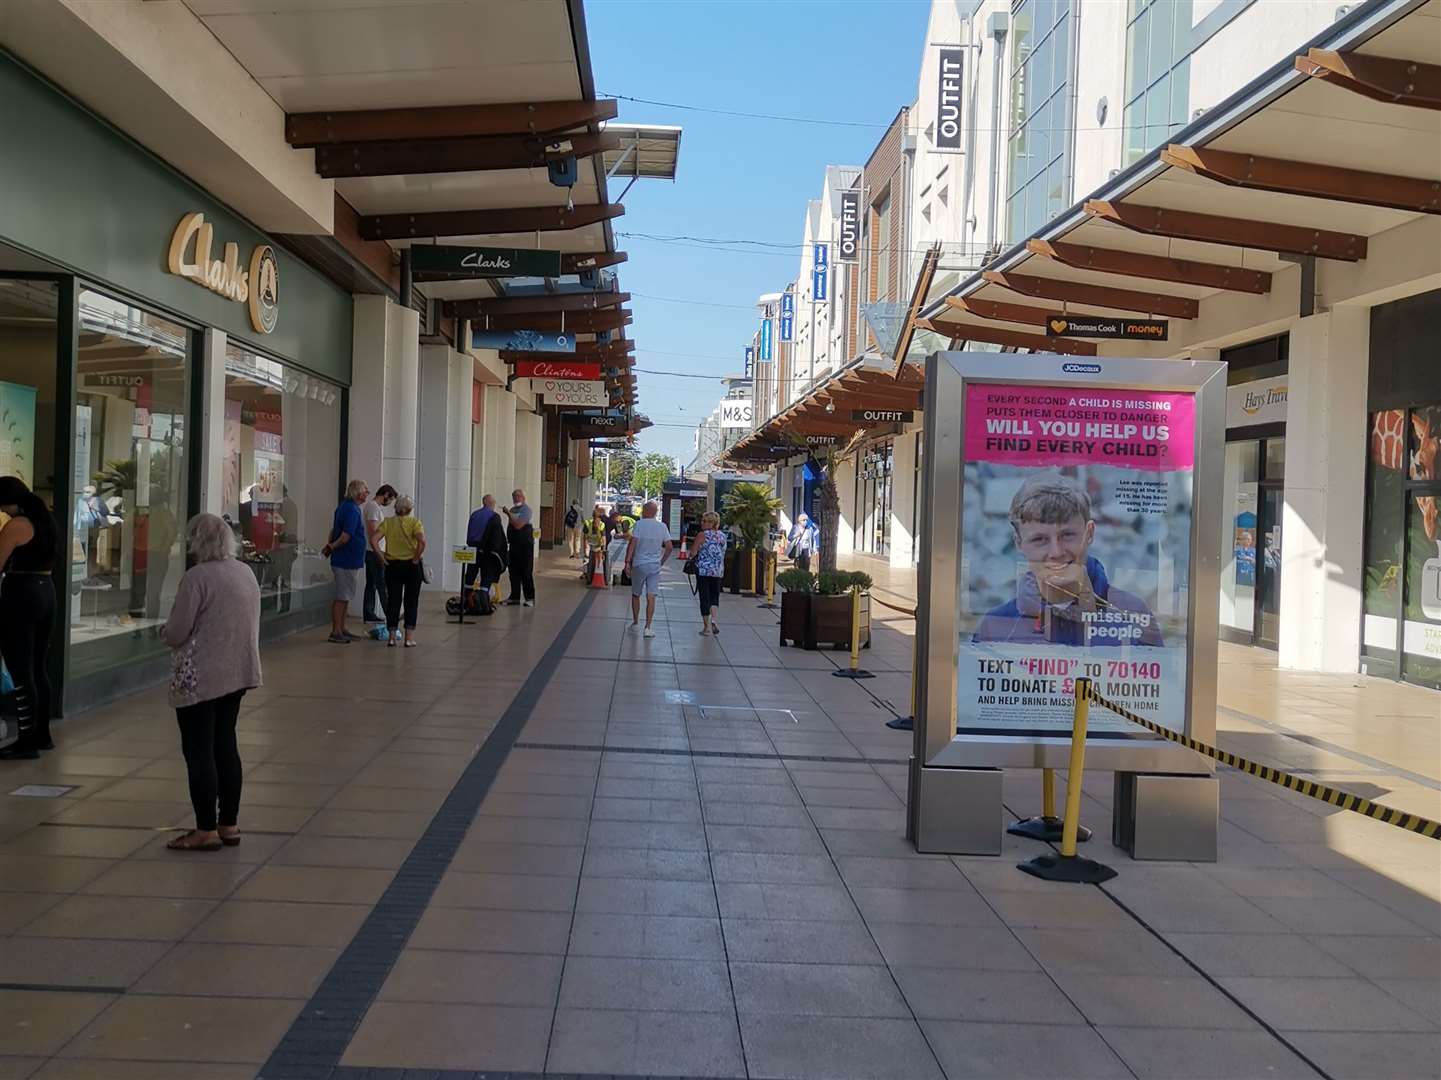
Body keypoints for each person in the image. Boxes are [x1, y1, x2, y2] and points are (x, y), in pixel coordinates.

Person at [161, 513, 261, 851]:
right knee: (225, 744)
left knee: (199, 749)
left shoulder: (197, 578)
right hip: (237, 673)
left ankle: (205, 829)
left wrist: (163, 633)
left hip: (202, 676)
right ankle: (228, 824)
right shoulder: (244, 572)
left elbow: (177, 631)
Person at [972, 473, 1163, 647]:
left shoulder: (1133, 614)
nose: (1056, 552)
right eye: (1039, 539)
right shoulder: (996, 626)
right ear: (1019, 543)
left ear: (1089, 534)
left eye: (1067, 535)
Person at [0, 477, 58, 760]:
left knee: (20, 669)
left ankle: (26, 740)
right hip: (47, 592)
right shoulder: (46, 519)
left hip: (21, 595)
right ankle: (42, 734)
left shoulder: (17, 526)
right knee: (38, 667)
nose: (4, 513)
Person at [320, 479, 368, 644]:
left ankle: (342, 627)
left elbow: (334, 530)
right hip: (346, 559)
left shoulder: (345, 507)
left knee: (346, 595)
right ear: (358, 493)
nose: (367, 493)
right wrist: (331, 547)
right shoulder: (352, 510)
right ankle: (336, 631)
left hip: (348, 559)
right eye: (365, 491)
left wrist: (330, 544)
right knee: (342, 596)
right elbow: (345, 536)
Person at [378, 495, 427, 647]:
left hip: (392, 565)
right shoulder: (414, 522)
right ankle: (409, 638)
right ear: (409, 509)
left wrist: (381, 556)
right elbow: (422, 541)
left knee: (393, 601)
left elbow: (374, 540)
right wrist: (416, 558)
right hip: (412, 566)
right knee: (411, 601)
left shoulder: (388, 522)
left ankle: (391, 637)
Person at [625, 501, 673, 638]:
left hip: (639, 564)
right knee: (651, 595)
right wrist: (661, 561)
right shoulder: (662, 526)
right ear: (656, 512)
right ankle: (648, 627)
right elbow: (669, 547)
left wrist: (627, 561)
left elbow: (632, 543)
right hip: (654, 565)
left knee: (636, 594)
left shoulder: (639, 525)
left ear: (645, 512)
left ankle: (635, 622)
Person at [465, 494, 508, 609]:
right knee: (487, 576)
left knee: (470, 575)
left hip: (473, 549)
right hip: (487, 552)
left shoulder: (474, 515)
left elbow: (469, 533)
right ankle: (483, 603)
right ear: (491, 503)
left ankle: (466, 599)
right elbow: (497, 538)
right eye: (494, 503)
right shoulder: (493, 516)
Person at [362, 484, 397, 627]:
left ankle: (369, 614)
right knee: (382, 584)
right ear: (386, 494)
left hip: (372, 551)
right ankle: (391, 615)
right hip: (374, 552)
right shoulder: (373, 508)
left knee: (372, 584)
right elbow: (373, 532)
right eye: (390, 499)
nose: (389, 503)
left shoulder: (374, 508)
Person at [694, 510, 728, 636]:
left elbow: (693, 552)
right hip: (718, 571)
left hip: (703, 571)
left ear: (711, 523)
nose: (702, 523)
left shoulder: (702, 535)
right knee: (714, 597)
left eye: (704, 521)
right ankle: (714, 620)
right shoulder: (722, 536)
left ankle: (706, 627)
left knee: (704, 598)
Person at [503, 488, 535, 607]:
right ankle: (514, 596)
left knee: (526, 572)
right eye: (514, 496)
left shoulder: (526, 510)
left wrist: (508, 514)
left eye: (518, 496)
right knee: (513, 572)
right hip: (514, 546)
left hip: (525, 547)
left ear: (523, 497)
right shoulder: (512, 510)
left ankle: (530, 598)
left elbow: (518, 525)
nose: (516, 498)